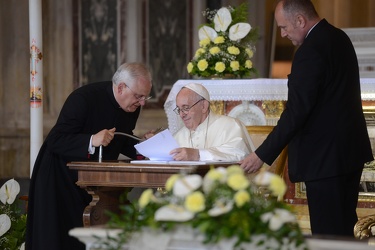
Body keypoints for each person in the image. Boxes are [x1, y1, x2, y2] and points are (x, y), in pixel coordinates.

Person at [240, 0, 373, 237]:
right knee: (345, 231)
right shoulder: (339, 37)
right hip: (347, 155)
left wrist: (262, 154)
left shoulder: (310, 50)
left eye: (284, 27)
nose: (283, 33)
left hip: (325, 161)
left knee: (329, 236)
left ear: (300, 20)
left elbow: (297, 112)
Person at [26, 62, 153, 250]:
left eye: (145, 97)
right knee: (58, 238)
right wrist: (91, 140)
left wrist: (148, 146)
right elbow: (56, 140)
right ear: (121, 88)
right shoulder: (83, 98)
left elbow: (120, 139)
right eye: (139, 96)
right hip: (58, 178)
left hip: (91, 181)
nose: (142, 102)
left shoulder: (131, 106)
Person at [170, 83, 254, 161]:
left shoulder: (232, 126)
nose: (181, 115)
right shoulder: (178, 137)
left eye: (186, 108)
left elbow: (240, 154)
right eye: (179, 109)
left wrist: (198, 155)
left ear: (204, 106)